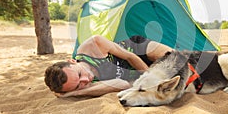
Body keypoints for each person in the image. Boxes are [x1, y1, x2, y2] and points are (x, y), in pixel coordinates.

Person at [44, 35, 173, 98]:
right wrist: (78, 92)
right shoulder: (87, 85)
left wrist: (150, 78)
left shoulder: (94, 45)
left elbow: (130, 57)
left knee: (174, 59)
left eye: (79, 74)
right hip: (135, 76)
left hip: (136, 51)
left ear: (72, 61)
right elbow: (122, 84)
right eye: (78, 85)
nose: (85, 80)